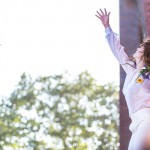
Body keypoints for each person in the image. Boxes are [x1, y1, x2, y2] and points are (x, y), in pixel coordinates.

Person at [95, 8, 150, 150]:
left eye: (141, 49)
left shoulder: (148, 72)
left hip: (147, 120)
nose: (137, 49)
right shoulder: (131, 70)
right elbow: (118, 51)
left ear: (146, 54)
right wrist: (107, 27)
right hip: (135, 125)